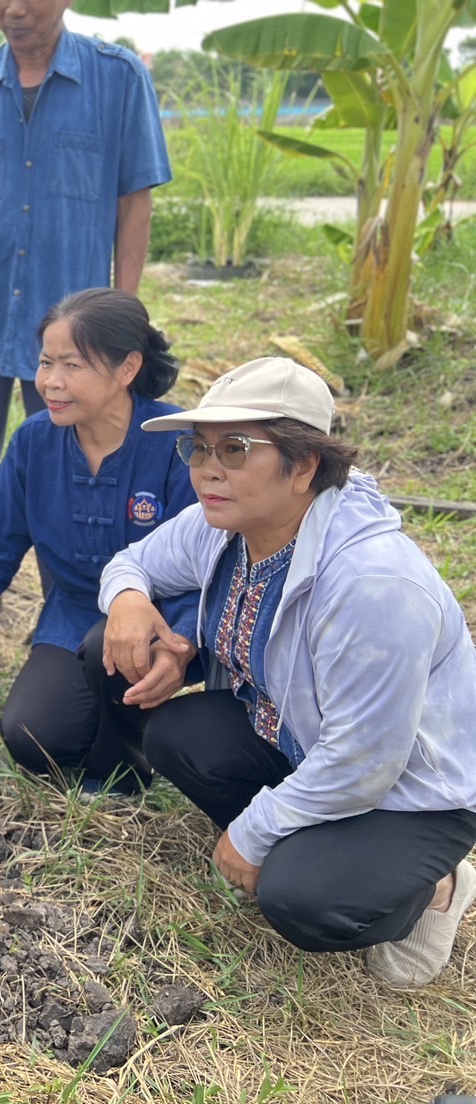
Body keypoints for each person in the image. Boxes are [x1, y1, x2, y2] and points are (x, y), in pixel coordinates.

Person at [98, 357, 476, 987]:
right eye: (199, 447)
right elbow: (134, 560)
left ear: (304, 465)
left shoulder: (370, 584)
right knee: (172, 735)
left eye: (236, 449)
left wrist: (253, 831)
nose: (207, 469)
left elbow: (365, 763)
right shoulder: (226, 524)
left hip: (410, 792)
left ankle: (437, 888)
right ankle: (312, 845)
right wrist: (130, 600)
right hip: (302, 742)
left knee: (300, 899)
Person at [0, 0, 171, 562]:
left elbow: (134, 206)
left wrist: (123, 321)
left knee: (72, 475)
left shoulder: (118, 79)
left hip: (73, 336)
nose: (13, 8)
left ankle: (67, 614)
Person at [0, 289, 197, 793]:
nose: (50, 382)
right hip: (75, 612)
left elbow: (208, 563)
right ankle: (117, 723)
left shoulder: (177, 442)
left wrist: (184, 645)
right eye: (44, 363)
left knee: (114, 645)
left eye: (72, 365)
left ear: (128, 368)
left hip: (165, 619)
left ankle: (127, 765)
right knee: (30, 735)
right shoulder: (35, 441)